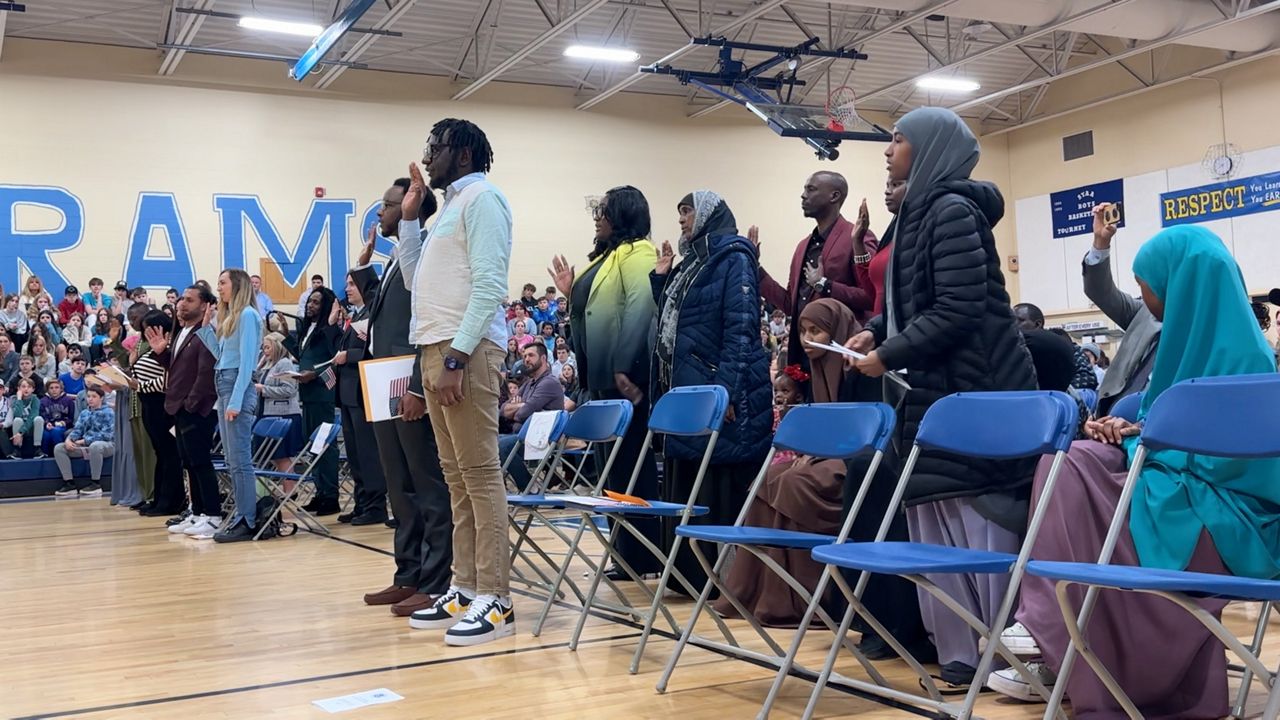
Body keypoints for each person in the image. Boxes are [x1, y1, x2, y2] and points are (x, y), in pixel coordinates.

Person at [989, 225, 1280, 712]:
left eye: (1147, 283)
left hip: (1231, 520)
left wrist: (1146, 443)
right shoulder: (1182, 346)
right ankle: (1058, 641)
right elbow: (1164, 431)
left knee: (1084, 477)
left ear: (1180, 283)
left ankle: (1052, 634)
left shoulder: (1250, 364)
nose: (1143, 296)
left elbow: (1242, 474)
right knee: (1070, 460)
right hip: (1178, 494)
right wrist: (1128, 432)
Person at [845, 107, 1037, 686]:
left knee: (980, 521)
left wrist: (891, 351)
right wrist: (876, 331)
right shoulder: (918, 214)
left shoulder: (952, 210)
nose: (887, 150)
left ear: (929, 149)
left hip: (977, 389)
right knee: (936, 520)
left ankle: (1004, 654)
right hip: (939, 391)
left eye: (898, 140)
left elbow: (957, 310)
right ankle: (960, 654)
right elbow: (914, 299)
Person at [398, 118, 515, 645]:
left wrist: (457, 357)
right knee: (457, 479)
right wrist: (407, 220)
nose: (429, 157)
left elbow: (490, 284)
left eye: (437, 147)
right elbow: (413, 279)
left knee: (480, 475)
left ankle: (497, 597)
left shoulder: (484, 200)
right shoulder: (448, 209)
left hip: (464, 351)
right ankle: (466, 586)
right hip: (436, 347)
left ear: (463, 154)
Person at [652, 190, 772, 592]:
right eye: (679, 211)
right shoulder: (693, 262)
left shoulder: (734, 257)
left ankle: (721, 578)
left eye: (687, 211)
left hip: (721, 391)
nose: (682, 219)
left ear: (708, 214)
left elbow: (741, 330)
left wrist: (727, 392)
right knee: (690, 478)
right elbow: (683, 324)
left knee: (717, 480)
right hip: (692, 386)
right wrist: (660, 280)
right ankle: (689, 575)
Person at [713, 301, 850, 626]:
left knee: (792, 482)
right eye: (802, 330)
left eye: (815, 330)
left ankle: (799, 598)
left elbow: (856, 429)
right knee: (767, 479)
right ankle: (756, 591)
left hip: (851, 461)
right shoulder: (815, 373)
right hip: (822, 455)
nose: (807, 338)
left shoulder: (854, 369)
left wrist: (814, 454)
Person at [548, 185, 662, 576]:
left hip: (622, 381)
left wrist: (623, 366)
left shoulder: (639, 252)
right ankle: (624, 554)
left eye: (605, 211)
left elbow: (641, 306)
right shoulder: (609, 256)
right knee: (610, 472)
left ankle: (643, 555)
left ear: (624, 216)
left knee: (631, 467)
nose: (598, 218)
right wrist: (570, 295)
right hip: (597, 379)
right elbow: (588, 318)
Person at [353, 177, 451, 619]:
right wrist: (363, 268)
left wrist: (416, 385)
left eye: (387, 205)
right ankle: (407, 574)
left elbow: (423, 325)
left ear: (412, 207)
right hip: (382, 379)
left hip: (406, 381)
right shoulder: (396, 258)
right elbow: (385, 313)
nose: (380, 213)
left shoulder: (426, 250)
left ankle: (434, 581)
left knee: (425, 485)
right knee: (399, 485)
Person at [756, 172, 879, 367]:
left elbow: (871, 296)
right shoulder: (802, 247)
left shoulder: (857, 237)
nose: (803, 195)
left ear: (834, 196)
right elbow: (789, 304)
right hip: (805, 356)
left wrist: (825, 285)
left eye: (810, 189)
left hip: (843, 356)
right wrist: (756, 269)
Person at [195, 269, 263, 543]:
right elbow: (221, 356)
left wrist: (235, 401)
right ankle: (240, 516)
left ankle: (247, 519)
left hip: (237, 385)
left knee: (240, 461)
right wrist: (206, 327)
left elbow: (247, 363)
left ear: (237, 285)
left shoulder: (248, 315)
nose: (219, 288)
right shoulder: (230, 318)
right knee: (232, 460)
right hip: (224, 382)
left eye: (222, 282)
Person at [148, 285, 221, 536]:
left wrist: (190, 404)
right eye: (181, 299)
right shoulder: (182, 332)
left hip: (197, 409)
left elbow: (205, 374)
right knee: (189, 462)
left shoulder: (205, 332)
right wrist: (162, 354)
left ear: (205, 306)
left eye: (189, 300)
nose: (181, 304)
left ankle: (213, 515)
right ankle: (198, 513)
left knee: (201, 461)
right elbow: (180, 369)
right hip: (180, 407)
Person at [1081, 202, 1161, 416]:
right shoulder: (1144, 312)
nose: (1143, 292)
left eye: (1145, 284)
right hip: (1110, 416)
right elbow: (1100, 292)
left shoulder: (1209, 329)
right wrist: (1100, 243)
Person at [334, 270, 388, 526]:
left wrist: (349, 356)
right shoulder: (355, 316)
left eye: (352, 284)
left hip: (362, 390)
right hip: (348, 392)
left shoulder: (373, 314)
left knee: (368, 453)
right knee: (355, 453)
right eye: (346, 284)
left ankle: (375, 505)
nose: (347, 289)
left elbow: (373, 351)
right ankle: (361, 502)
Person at [295, 285, 342, 516]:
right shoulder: (307, 329)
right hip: (308, 393)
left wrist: (314, 374)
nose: (310, 305)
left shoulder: (328, 329)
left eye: (316, 302)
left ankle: (331, 495)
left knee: (325, 445)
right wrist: (285, 335)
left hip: (322, 392)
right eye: (309, 301)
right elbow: (302, 355)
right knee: (312, 443)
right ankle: (320, 491)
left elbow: (334, 359)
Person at [131, 309, 183, 517]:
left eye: (150, 329)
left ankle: (171, 501)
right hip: (149, 406)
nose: (146, 333)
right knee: (160, 454)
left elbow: (169, 382)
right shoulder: (152, 348)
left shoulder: (168, 350)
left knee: (169, 454)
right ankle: (159, 499)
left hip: (162, 406)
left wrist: (139, 386)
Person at [497, 343, 565, 490]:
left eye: (531, 355)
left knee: (501, 446)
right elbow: (502, 410)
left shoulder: (549, 382)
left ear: (544, 358)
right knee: (490, 442)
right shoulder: (529, 384)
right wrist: (521, 406)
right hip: (522, 436)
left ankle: (530, 489)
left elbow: (522, 414)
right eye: (525, 356)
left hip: (542, 439)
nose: (526, 359)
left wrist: (520, 407)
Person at [1014, 303, 1098, 390]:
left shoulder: (1067, 347)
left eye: (1020, 320)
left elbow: (1088, 379)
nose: (1014, 324)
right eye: (1011, 320)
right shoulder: (1015, 347)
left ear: (1038, 324)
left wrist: (1065, 391)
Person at [253, 332, 303, 471]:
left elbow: (290, 390)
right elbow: (255, 378)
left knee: (281, 456)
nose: (265, 351)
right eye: (263, 348)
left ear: (277, 347)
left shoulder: (285, 363)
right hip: (266, 414)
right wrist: (259, 365)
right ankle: (288, 489)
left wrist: (264, 389)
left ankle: (290, 491)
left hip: (284, 415)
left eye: (268, 347)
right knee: (271, 455)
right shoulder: (269, 365)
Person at [51, 386, 113, 497]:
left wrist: (83, 441)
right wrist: (69, 440)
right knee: (59, 448)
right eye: (88, 396)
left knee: (95, 446)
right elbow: (77, 430)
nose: (90, 399)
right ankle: (69, 484)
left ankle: (96, 483)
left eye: (94, 396)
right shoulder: (84, 413)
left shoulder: (109, 412)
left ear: (101, 398)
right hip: (85, 445)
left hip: (106, 445)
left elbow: (107, 435)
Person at [5, 377, 43, 458]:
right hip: (19, 427)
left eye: (29, 387)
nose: (26, 389)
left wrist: (20, 433)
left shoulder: (35, 399)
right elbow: (17, 415)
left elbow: (32, 417)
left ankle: (37, 449)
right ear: (18, 388)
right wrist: (19, 399)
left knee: (38, 419)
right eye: (23, 386)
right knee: (17, 420)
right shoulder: (14, 399)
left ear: (33, 389)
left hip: (31, 429)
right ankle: (17, 449)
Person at [39, 378, 76, 457]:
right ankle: (45, 455)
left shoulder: (68, 400)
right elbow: (42, 415)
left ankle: (60, 454)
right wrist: (47, 423)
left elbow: (71, 418)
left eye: (56, 387)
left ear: (61, 389)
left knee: (56, 431)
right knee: (45, 435)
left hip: (63, 426)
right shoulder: (43, 401)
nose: (54, 390)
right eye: (51, 388)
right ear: (47, 390)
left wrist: (64, 423)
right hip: (49, 426)